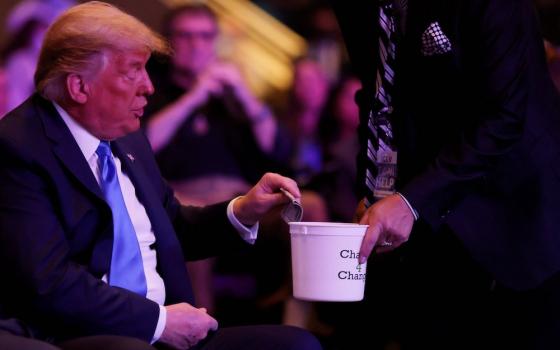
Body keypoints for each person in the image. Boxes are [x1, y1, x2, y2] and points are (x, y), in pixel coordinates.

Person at [0, 2, 322, 350]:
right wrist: (160, 322)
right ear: (79, 87)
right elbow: (50, 283)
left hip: (170, 328)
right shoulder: (18, 147)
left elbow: (174, 227)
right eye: (133, 71)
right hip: (87, 334)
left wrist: (243, 211)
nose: (148, 87)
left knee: (297, 344)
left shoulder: (126, 135)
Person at [331, 0, 560, 349]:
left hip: (521, 204)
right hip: (434, 206)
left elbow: (503, 117)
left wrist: (410, 201)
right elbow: (379, 95)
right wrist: (376, 188)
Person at [143, 3, 292, 314]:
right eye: (185, 36)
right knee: (196, 225)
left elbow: (275, 148)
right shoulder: (151, 88)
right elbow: (145, 143)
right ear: (169, 41)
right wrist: (194, 96)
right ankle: (202, 328)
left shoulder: (233, 96)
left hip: (240, 194)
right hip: (182, 196)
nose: (196, 44)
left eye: (205, 36)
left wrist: (243, 93)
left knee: (311, 205)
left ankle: (298, 311)